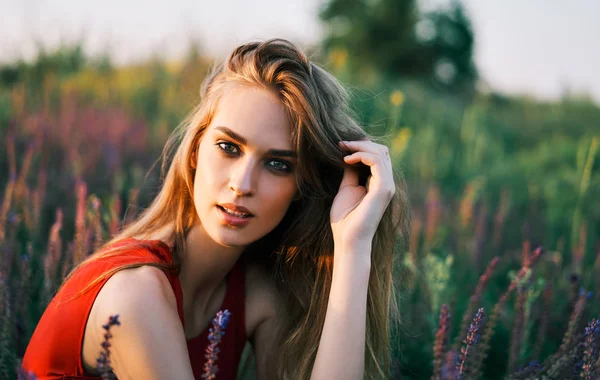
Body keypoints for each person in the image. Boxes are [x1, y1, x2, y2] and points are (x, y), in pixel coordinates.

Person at [22, 38, 411, 380]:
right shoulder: (134, 296)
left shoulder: (255, 295)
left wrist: (353, 246)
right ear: (194, 151)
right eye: (228, 147)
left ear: (300, 188)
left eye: (279, 164)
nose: (241, 185)